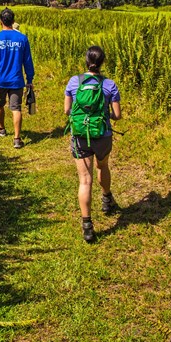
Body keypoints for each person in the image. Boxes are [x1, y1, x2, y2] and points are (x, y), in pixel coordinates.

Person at [64, 46, 121, 243]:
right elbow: (118, 116)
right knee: (103, 166)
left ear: (86, 61)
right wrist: (106, 114)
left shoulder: (74, 82)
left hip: (80, 136)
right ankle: (106, 199)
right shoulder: (109, 85)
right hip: (102, 135)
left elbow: (67, 110)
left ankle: (87, 226)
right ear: (102, 62)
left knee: (84, 180)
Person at [0, 8, 34, 149]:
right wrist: (29, 79)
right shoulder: (22, 38)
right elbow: (28, 61)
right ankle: (17, 139)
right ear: (13, 21)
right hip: (16, 80)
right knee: (16, 108)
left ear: (0, 21)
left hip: (0, 79)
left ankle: (1, 129)